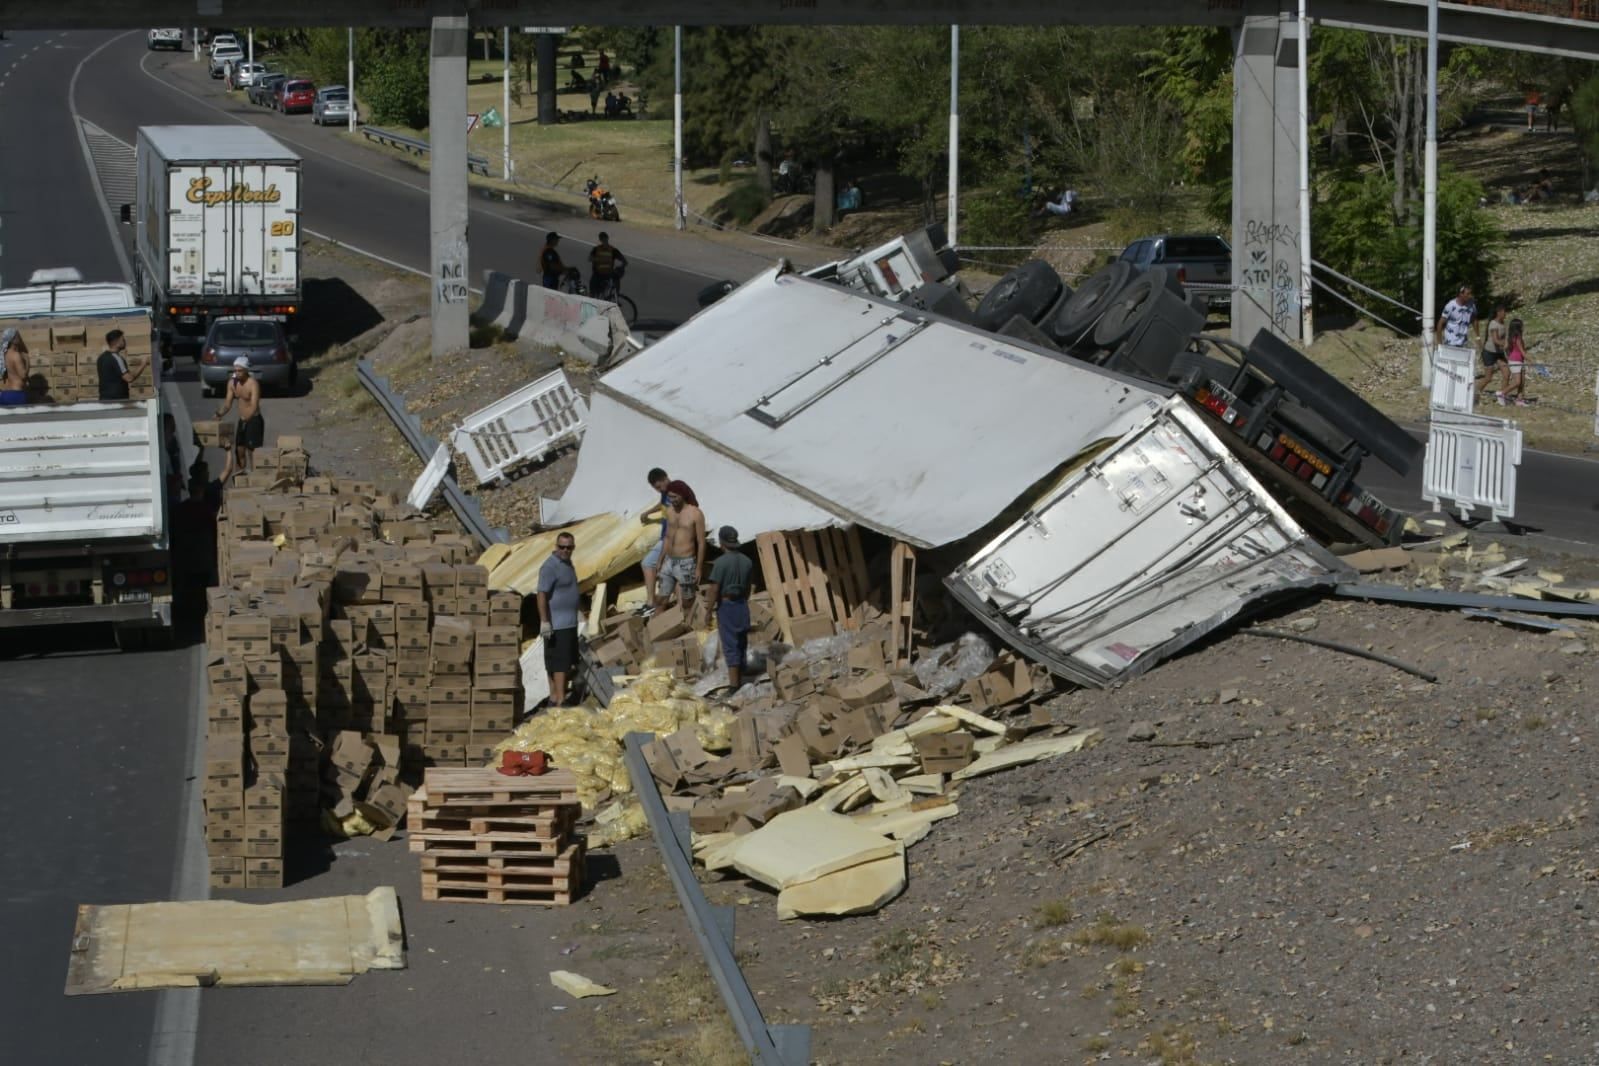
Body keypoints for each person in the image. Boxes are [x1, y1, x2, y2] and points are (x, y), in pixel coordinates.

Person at [707, 526, 755, 691]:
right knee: (742, 640)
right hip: (742, 603)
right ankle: (742, 672)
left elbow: (714, 589)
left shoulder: (720, 563)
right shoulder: (747, 561)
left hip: (726, 606)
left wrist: (708, 611)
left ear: (721, 543)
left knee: (730, 645)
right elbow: (749, 586)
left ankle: (734, 686)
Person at [536, 531, 580, 707]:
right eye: (562, 547)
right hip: (557, 624)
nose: (565, 550)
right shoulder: (550, 567)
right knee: (559, 663)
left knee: (564, 661)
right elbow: (541, 594)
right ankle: (560, 699)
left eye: (569, 548)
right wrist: (545, 621)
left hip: (569, 622)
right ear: (556, 546)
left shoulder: (568, 564)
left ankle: (555, 696)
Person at [655, 480, 705, 613]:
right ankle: (656, 628)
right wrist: (660, 560)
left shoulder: (695, 513)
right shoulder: (670, 511)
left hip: (686, 563)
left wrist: (699, 568)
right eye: (669, 497)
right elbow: (668, 537)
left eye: (674, 497)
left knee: (688, 602)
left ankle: (689, 629)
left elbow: (701, 542)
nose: (671, 500)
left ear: (682, 495)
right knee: (661, 600)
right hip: (669, 561)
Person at [214, 357, 263, 483]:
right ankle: (239, 481)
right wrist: (219, 413)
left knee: (252, 452)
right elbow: (228, 403)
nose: (237, 373)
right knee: (239, 451)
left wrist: (247, 419)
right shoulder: (232, 383)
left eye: (240, 370)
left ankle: (255, 480)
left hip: (254, 420)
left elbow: (254, 405)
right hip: (243, 421)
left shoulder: (253, 384)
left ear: (246, 370)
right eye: (235, 370)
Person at [96, 328, 147, 401]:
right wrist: (143, 364)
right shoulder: (116, 358)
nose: (125, 342)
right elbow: (129, 378)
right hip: (117, 401)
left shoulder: (101, 358)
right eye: (123, 339)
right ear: (117, 342)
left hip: (104, 399)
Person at [1475, 305, 1510, 403]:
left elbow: (1503, 339)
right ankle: (1475, 392)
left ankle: (1502, 396)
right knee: (1488, 378)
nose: (1505, 313)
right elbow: (1496, 340)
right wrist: (1506, 344)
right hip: (1489, 353)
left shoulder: (1502, 323)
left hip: (1499, 353)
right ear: (1498, 312)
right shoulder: (1493, 324)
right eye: (1503, 311)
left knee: (1507, 373)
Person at [1435, 284, 1478, 350]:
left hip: (1464, 342)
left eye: (1470, 294)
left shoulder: (1471, 304)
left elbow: (1474, 320)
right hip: (1451, 342)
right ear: (1461, 294)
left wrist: (1478, 337)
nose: (1470, 296)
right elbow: (1440, 323)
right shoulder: (1450, 306)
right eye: (1468, 294)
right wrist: (1439, 343)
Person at [588, 231, 628, 298]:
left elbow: (625, 261)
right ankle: (615, 296)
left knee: (616, 278)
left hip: (604, 275)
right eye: (602, 239)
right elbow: (590, 259)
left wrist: (620, 268)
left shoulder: (612, 250)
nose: (604, 240)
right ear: (601, 240)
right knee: (593, 291)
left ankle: (616, 296)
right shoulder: (598, 249)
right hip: (599, 274)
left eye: (604, 238)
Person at [1, 327, 30, 407]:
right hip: (16, 394)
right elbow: (23, 375)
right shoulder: (16, 355)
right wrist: (27, 362)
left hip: (5, 393)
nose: (20, 338)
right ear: (13, 339)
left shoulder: (4, 354)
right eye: (18, 336)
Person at [1504, 317, 1529, 407]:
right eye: (1521, 326)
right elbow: (1523, 351)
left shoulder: (1511, 337)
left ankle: (1519, 400)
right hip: (1516, 362)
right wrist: (1531, 360)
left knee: (1522, 383)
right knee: (1517, 382)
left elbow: (1506, 348)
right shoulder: (1517, 338)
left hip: (1520, 361)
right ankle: (1502, 393)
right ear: (1518, 327)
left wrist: (1508, 355)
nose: (1523, 327)